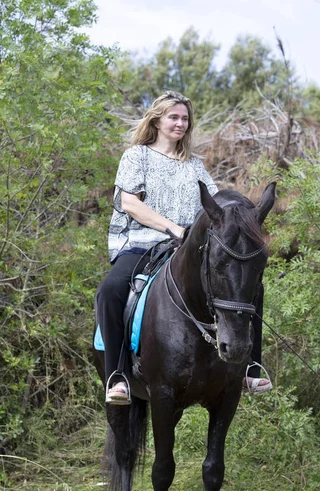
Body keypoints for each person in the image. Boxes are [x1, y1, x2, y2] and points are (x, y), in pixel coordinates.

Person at [95, 91, 271, 405]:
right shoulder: (137, 156)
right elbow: (129, 203)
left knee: (248, 287)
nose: (180, 123)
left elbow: (216, 206)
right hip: (140, 245)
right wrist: (173, 228)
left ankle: (252, 366)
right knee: (109, 290)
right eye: (173, 117)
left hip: (188, 250)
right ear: (157, 120)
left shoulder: (194, 166)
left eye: (185, 119)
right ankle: (117, 374)